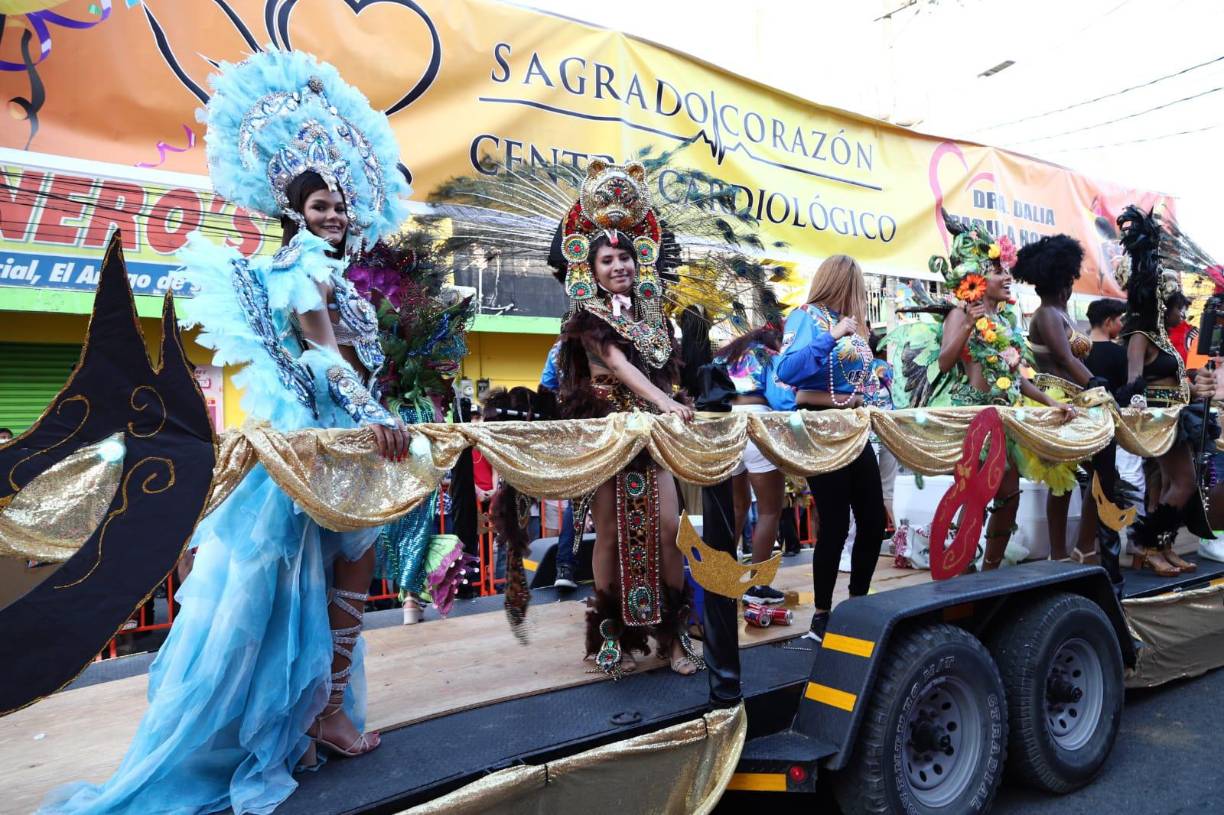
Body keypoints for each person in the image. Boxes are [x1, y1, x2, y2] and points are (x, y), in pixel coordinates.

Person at [40, 51, 412, 815]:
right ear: (296, 213)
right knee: (293, 581)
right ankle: (302, 718)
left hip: (343, 437)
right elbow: (321, 354)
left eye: (341, 205)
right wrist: (376, 414)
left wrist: (376, 408)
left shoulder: (338, 274)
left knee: (336, 571)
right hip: (313, 443)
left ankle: (310, 716)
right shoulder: (300, 268)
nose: (335, 215)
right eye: (321, 206)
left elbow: (354, 359)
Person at [552, 162, 702, 678]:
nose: (619, 266)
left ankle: (674, 636)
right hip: (611, 432)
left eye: (625, 257)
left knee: (669, 530)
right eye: (608, 259)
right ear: (590, 269)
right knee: (612, 535)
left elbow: (661, 372)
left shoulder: (654, 318)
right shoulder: (586, 317)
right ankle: (609, 637)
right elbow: (617, 365)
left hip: (652, 434)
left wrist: (674, 400)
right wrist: (665, 403)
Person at [933, 224, 1076, 570]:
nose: (1008, 277)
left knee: (1009, 495)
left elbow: (1014, 378)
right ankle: (960, 566)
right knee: (976, 494)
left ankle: (990, 570)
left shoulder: (1006, 320)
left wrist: (1051, 402)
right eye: (999, 271)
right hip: (974, 417)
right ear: (980, 278)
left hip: (1005, 417)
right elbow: (944, 362)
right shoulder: (960, 314)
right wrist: (968, 325)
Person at [776, 255, 885, 642]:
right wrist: (832, 336)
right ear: (842, 282)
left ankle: (856, 603)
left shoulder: (851, 322)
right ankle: (822, 614)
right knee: (835, 522)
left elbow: (858, 380)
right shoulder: (805, 316)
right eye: (857, 285)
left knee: (873, 519)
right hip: (819, 424)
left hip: (852, 424)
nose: (861, 294)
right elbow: (787, 371)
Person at [1116, 206, 1217, 575]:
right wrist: (1142, 417)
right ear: (1161, 302)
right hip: (1159, 424)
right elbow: (1134, 383)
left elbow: (1175, 383)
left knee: (1175, 483)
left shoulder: (1162, 338)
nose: (1182, 312)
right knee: (1184, 483)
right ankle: (1147, 545)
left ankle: (1162, 546)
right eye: (1177, 306)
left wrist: (1197, 387)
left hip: (1176, 419)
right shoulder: (1140, 336)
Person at [1011, 234, 1097, 561]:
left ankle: (1081, 548)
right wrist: (1097, 384)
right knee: (1063, 480)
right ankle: (1064, 553)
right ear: (1064, 281)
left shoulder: (1061, 313)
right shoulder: (1047, 314)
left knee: (1092, 475)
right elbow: (1064, 358)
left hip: (1076, 400)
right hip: (1057, 400)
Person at [712, 324, 795, 604]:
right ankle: (758, 587)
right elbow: (781, 397)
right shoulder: (768, 355)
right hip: (757, 421)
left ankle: (721, 579)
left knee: (738, 507)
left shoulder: (727, 355)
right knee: (770, 510)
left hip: (726, 425)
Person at [539, 339, 578, 589]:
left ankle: (565, 566)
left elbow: (546, 387)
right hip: (602, 425)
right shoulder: (600, 339)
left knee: (578, 499)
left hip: (570, 427)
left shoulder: (557, 348)